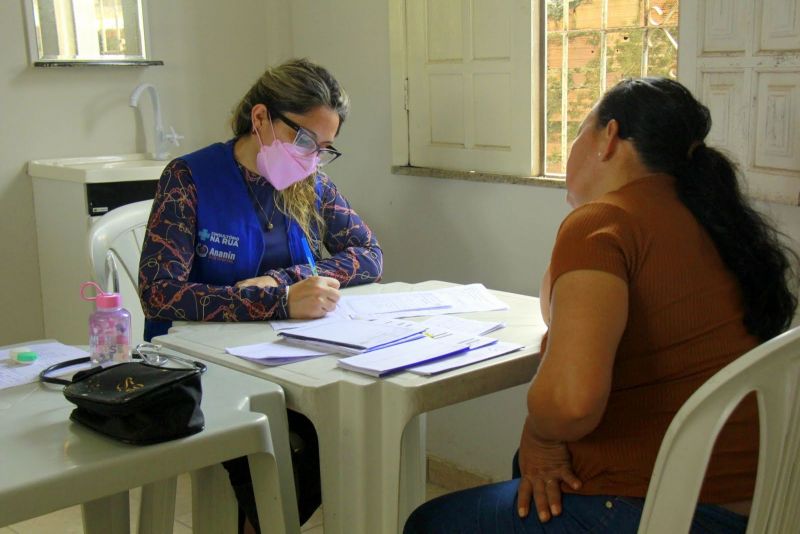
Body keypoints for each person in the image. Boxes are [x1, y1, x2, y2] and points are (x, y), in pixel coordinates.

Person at [404, 77, 797, 533]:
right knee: (528, 469)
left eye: (578, 131)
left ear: (608, 137)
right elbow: (560, 310)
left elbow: (570, 406)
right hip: (761, 497)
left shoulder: (606, 222)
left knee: (430, 522)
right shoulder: (710, 216)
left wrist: (540, 432)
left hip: (669, 509)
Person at [138, 58, 383, 532]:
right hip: (197, 364)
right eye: (306, 140)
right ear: (260, 119)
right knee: (292, 439)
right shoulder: (189, 179)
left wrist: (284, 281)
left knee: (351, 424)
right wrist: (278, 301)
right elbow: (160, 293)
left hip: (282, 357)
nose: (312, 157)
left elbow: (368, 253)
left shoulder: (309, 182)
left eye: (325, 148)